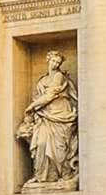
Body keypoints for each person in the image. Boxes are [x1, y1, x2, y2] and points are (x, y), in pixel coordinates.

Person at [18, 52, 79, 185]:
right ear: (48, 60)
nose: (55, 64)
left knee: (59, 147)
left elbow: (50, 95)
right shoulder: (42, 80)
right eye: (53, 61)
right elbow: (39, 96)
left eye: (58, 62)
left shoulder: (59, 76)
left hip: (60, 112)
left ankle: (62, 174)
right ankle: (41, 175)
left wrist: (32, 106)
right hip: (44, 115)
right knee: (41, 143)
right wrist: (35, 109)